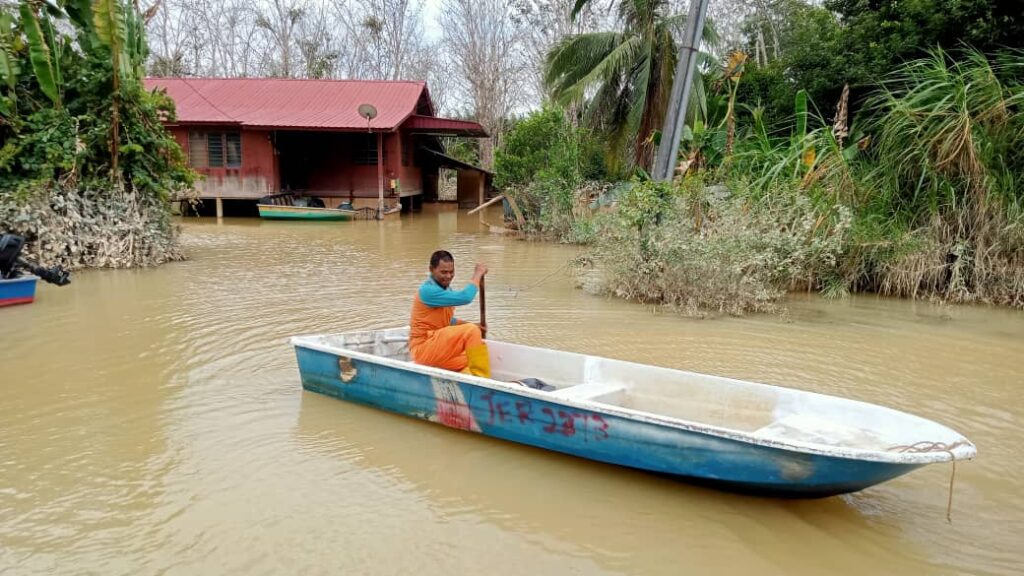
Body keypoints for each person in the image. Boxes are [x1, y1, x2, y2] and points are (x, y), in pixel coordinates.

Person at [409, 250, 490, 378]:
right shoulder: (428, 291)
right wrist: (477, 274)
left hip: (437, 347)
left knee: (470, 356)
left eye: (451, 272)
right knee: (471, 331)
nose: (448, 276)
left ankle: (468, 383)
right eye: (443, 272)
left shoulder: (445, 289)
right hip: (423, 349)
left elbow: (449, 321)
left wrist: (474, 324)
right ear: (431, 269)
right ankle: (483, 382)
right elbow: (466, 297)